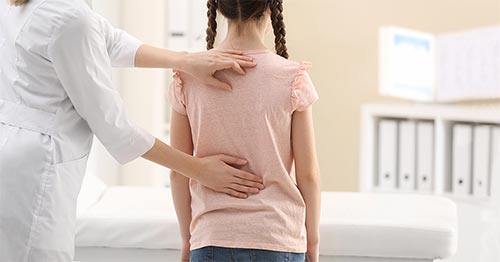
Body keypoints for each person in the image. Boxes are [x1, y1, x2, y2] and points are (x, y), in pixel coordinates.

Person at [0, 0, 266, 261]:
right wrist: (198, 170)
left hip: (15, 152)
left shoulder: (29, 5)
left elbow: (108, 41)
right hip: (36, 169)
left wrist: (185, 60)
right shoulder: (69, 17)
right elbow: (116, 129)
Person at [168, 0, 321, 261]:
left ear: (217, 8)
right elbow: (308, 175)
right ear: (272, 8)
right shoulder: (292, 78)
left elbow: (178, 172)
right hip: (278, 238)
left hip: (210, 238)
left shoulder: (188, 77)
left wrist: (187, 239)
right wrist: (313, 244)